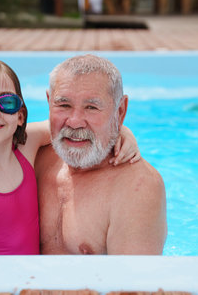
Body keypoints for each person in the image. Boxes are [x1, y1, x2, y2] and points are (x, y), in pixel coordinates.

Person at [0, 58, 140, 256]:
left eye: (6, 102)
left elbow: (78, 126)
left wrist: (122, 131)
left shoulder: (28, 146)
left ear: (20, 116)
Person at [36, 54, 167, 254]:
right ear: (48, 102)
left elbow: (131, 283)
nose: (75, 121)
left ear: (120, 111)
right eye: (64, 105)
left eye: (91, 107)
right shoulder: (33, 157)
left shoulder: (137, 187)